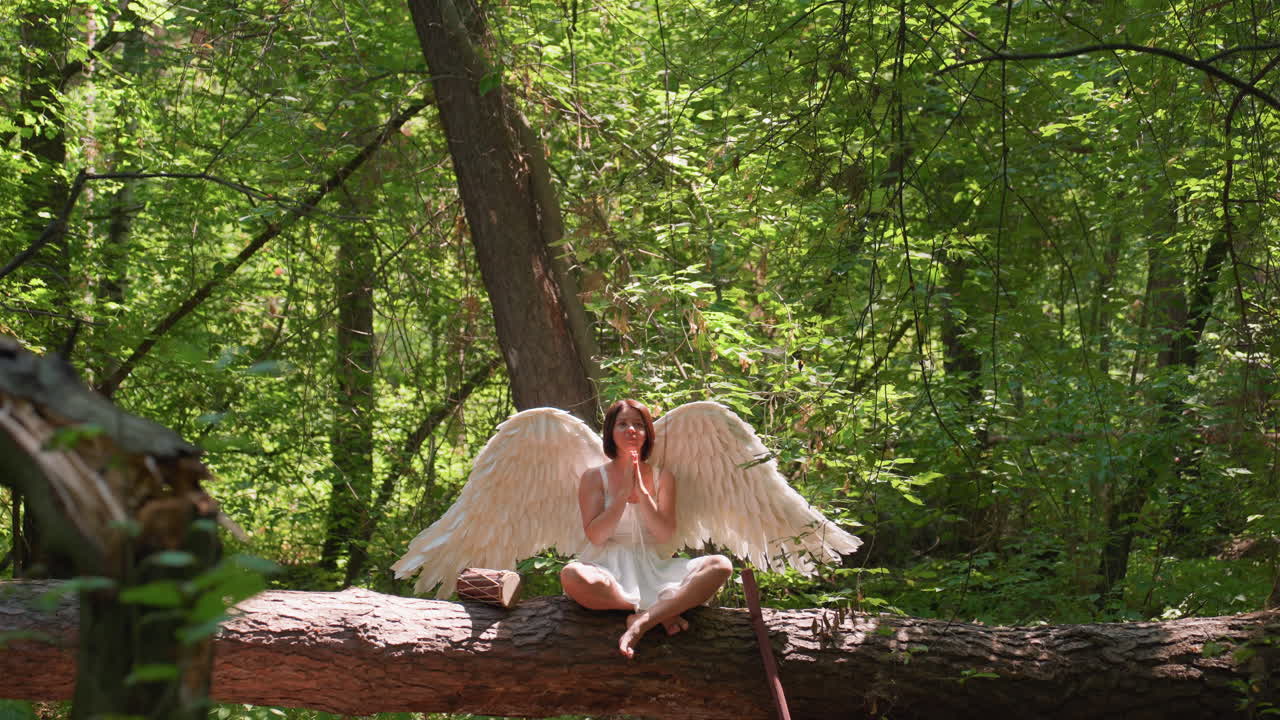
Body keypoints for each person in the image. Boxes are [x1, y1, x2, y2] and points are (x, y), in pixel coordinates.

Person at [559, 399, 733, 659]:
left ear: (647, 433)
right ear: (611, 432)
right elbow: (596, 535)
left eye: (639, 425)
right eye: (623, 424)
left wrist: (642, 493)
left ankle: (642, 621)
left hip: (654, 566)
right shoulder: (594, 477)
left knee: (721, 566)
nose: (631, 430)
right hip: (609, 569)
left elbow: (664, 534)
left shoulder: (664, 476)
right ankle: (661, 610)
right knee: (572, 575)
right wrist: (620, 496)